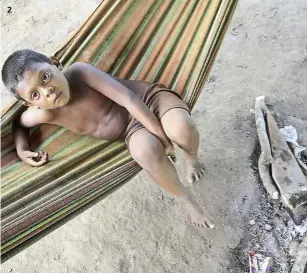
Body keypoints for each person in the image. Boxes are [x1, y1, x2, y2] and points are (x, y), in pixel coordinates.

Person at [2, 49, 214, 228]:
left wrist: (164, 139)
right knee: (145, 152)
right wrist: (22, 150)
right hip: (130, 131)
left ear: (55, 64)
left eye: (45, 77)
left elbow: (128, 98)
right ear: (30, 104)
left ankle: (191, 157)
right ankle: (186, 200)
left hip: (149, 100)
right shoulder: (44, 113)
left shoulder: (79, 73)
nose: (47, 91)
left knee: (181, 129)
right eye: (35, 95)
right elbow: (19, 124)